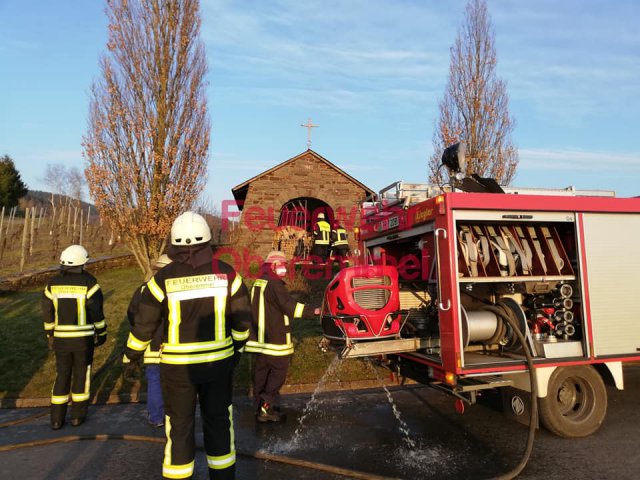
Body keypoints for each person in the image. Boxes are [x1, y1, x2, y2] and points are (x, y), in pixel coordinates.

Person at [124, 212, 251, 480]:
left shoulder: (163, 278)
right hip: (218, 367)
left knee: (179, 428)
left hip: (177, 370)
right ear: (207, 240)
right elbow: (242, 321)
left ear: (175, 243)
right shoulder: (228, 274)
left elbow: (144, 323)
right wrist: (237, 349)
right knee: (218, 424)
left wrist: (131, 355)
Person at [244, 251, 320, 423]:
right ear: (272, 265)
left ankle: (260, 406)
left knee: (261, 373)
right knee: (278, 372)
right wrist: (313, 311)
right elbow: (289, 307)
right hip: (274, 339)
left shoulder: (259, 281)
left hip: (259, 339)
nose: (284, 268)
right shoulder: (275, 284)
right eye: (281, 264)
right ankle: (266, 405)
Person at [42, 244, 106, 430]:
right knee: (81, 374)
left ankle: (56, 419)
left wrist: (50, 332)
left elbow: (47, 311)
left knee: (62, 374)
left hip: (61, 339)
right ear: (82, 263)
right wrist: (101, 333)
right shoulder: (90, 283)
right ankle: (77, 416)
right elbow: (96, 311)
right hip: (83, 340)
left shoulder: (52, 284)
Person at [125, 253, 172, 428]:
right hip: (175, 347)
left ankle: (156, 418)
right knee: (176, 383)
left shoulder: (144, 290)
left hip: (151, 346)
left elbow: (133, 315)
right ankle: (174, 417)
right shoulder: (179, 290)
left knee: (154, 381)